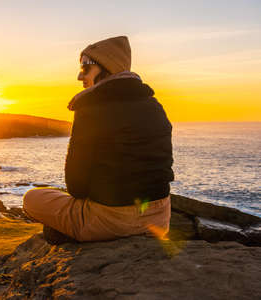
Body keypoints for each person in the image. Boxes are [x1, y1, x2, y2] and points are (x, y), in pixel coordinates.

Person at [23, 36, 174, 244]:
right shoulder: (155, 106)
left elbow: (76, 187)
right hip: (160, 218)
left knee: (31, 198)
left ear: (108, 67)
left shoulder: (91, 109)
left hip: (111, 222)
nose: (79, 76)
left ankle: (75, 232)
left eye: (86, 67)